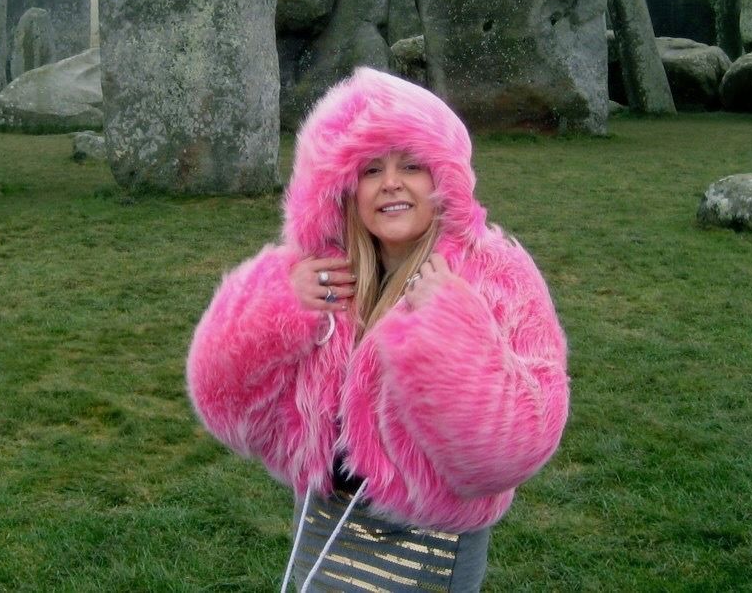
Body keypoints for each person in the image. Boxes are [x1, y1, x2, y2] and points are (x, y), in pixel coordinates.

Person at [187, 68, 569, 592]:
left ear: (443, 178)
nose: (391, 183)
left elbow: (518, 445)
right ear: (344, 186)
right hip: (322, 531)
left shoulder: (494, 275)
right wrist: (274, 309)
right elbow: (224, 402)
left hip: (429, 551)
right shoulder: (317, 272)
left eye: (411, 165)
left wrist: (450, 333)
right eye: (371, 169)